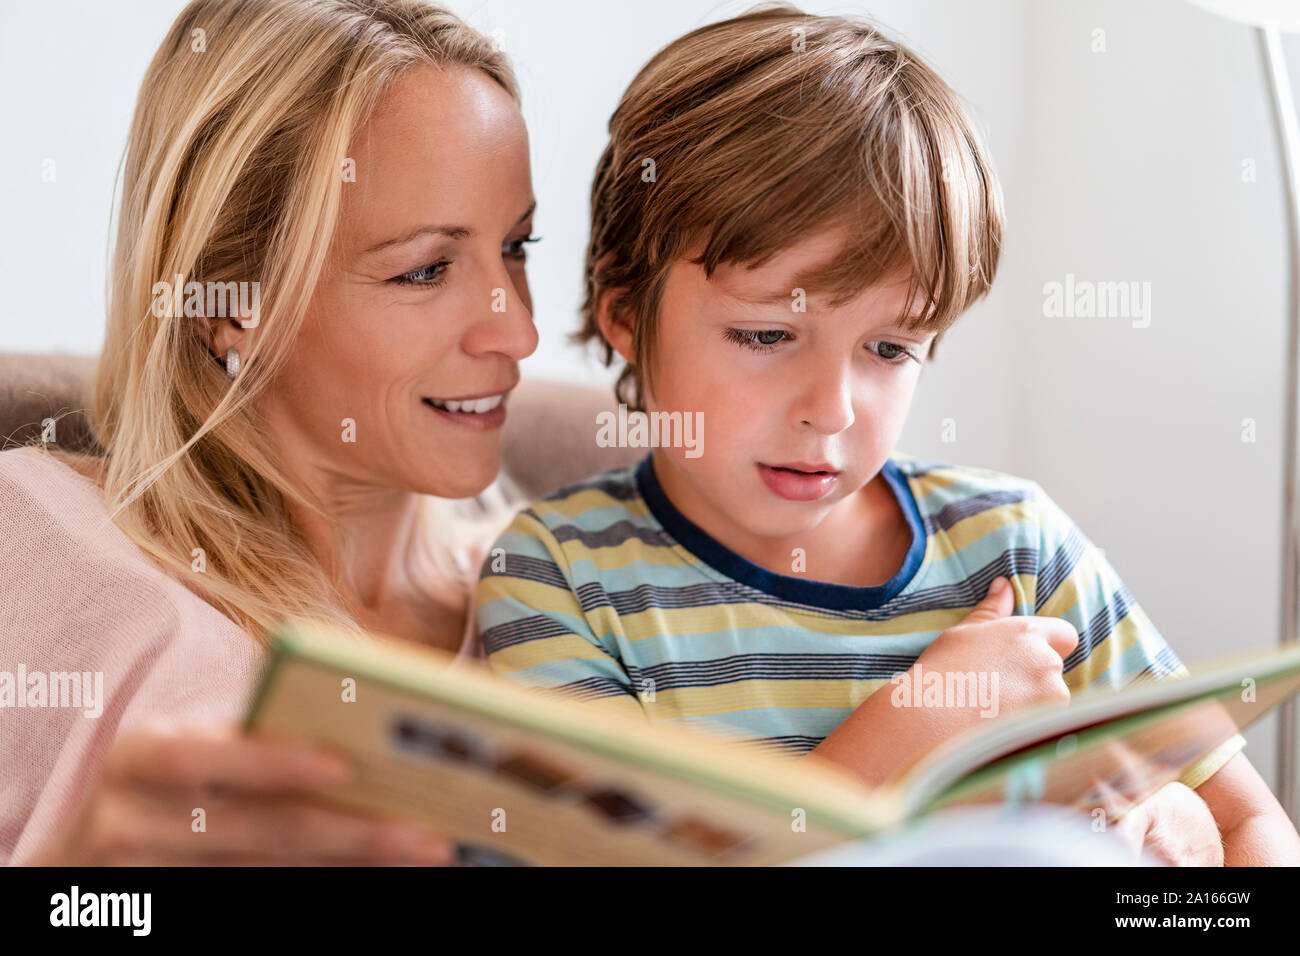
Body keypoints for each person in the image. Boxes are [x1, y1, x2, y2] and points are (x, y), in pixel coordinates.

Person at [477, 5, 1300, 865]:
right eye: (766, 336)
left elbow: (1250, 827)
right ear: (625, 314)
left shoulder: (1016, 549)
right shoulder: (557, 578)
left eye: (891, 347)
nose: (832, 410)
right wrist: (917, 724)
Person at [2, 0, 537, 865]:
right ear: (230, 304)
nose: (517, 332)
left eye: (518, 246)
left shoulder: (563, 600)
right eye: (425, 269)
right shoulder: (39, 545)